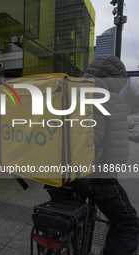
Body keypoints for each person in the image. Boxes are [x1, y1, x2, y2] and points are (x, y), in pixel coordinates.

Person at [47, 55, 139, 255]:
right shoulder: (113, 100)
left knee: (60, 219)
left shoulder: (64, 92)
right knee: (127, 222)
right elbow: (116, 156)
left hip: (57, 173)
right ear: (117, 79)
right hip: (93, 177)